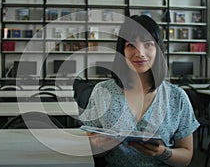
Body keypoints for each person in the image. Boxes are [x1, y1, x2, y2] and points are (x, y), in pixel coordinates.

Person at [79, 15, 200, 167]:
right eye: (130, 45)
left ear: (158, 49)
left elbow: (186, 156)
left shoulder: (177, 97)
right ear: (122, 51)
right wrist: (100, 146)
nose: (139, 52)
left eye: (148, 44)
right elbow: (89, 147)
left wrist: (163, 152)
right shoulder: (102, 91)